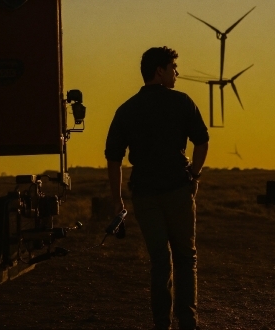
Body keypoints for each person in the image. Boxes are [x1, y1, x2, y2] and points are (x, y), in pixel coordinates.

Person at [105, 46, 209, 330]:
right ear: (159, 71)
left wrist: (117, 200)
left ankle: (161, 324)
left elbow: (113, 158)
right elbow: (202, 141)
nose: (177, 73)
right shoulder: (182, 102)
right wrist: (194, 174)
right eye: (173, 68)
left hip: (145, 194)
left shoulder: (126, 110)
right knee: (186, 257)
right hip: (177, 189)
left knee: (160, 261)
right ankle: (188, 322)